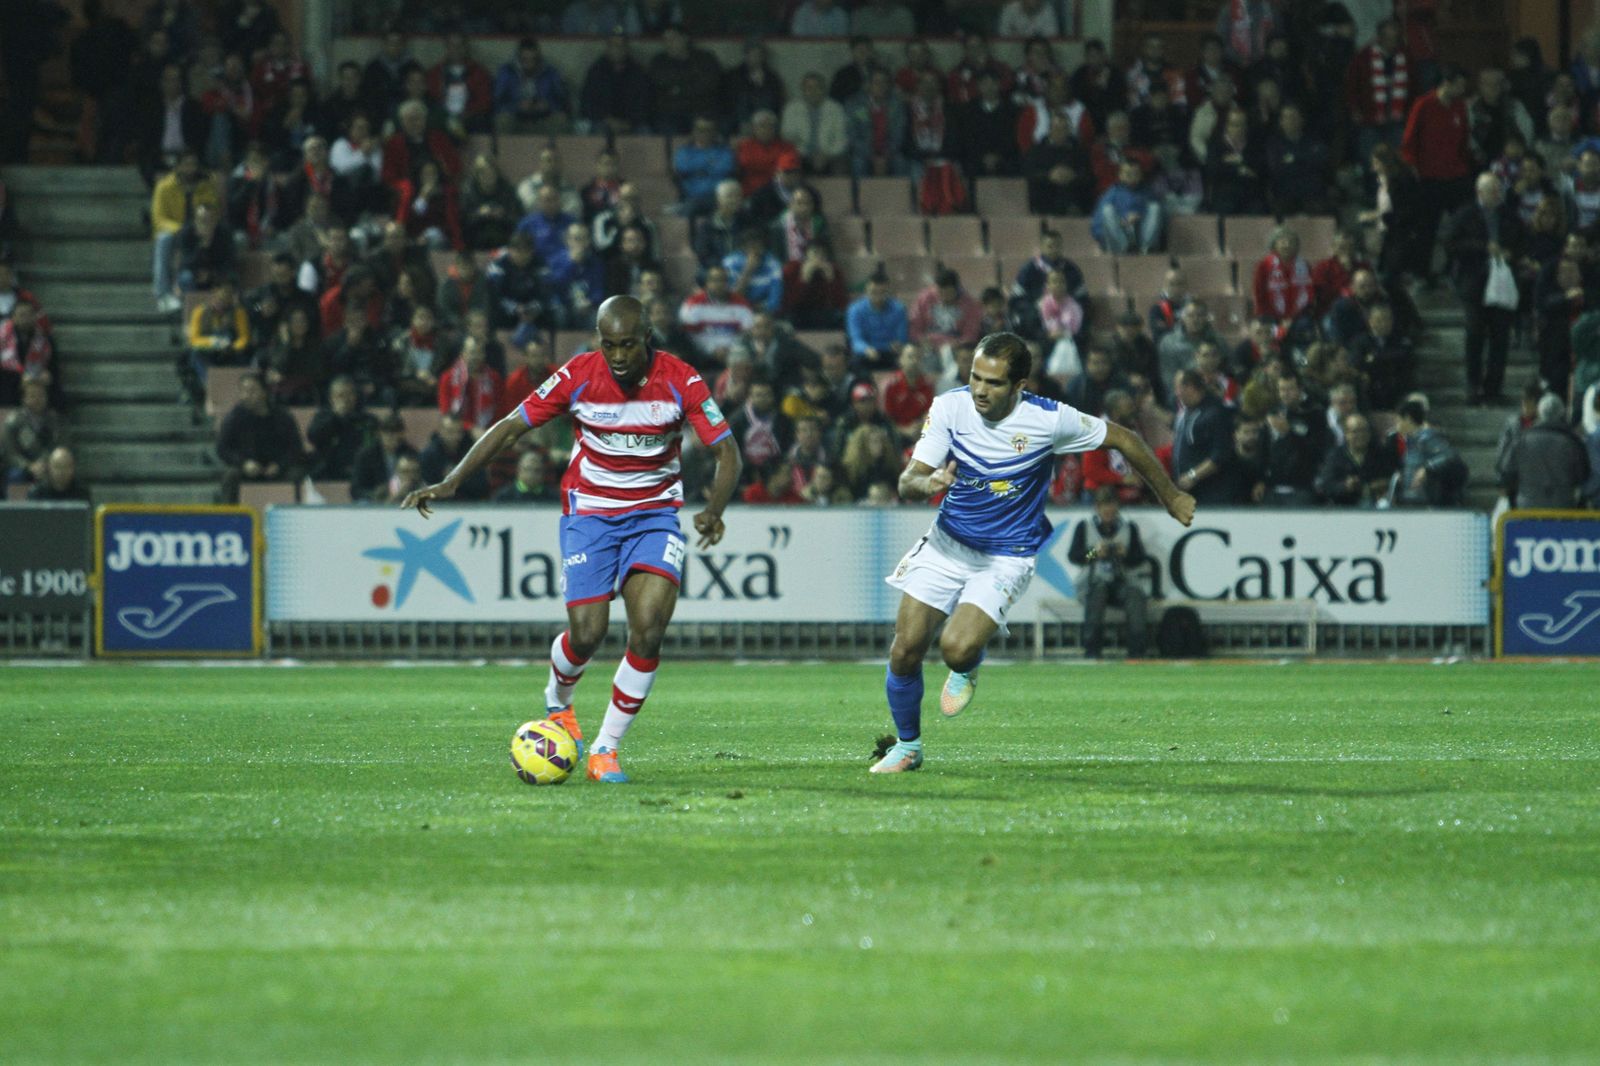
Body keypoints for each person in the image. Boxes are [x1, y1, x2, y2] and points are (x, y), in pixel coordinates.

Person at [402, 296, 742, 784]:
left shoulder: (681, 379)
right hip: (591, 516)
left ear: (647, 338)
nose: (619, 356)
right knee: (587, 633)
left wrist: (714, 509)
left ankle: (606, 749)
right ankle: (558, 701)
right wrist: (452, 481)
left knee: (648, 627)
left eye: (628, 345)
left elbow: (726, 451)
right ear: (598, 341)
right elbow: (510, 427)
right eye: (610, 345)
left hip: (653, 516)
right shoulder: (578, 375)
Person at [870, 332, 1193, 773]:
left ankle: (968, 663)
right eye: (975, 377)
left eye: (994, 382)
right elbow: (909, 479)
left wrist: (1171, 496)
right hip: (947, 544)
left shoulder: (1049, 419)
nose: (981, 390)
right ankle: (908, 746)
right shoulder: (950, 407)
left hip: (1007, 555)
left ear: (1020, 385)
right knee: (904, 649)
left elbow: (1125, 440)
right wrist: (926, 484)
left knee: (955, 649)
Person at [1445, 171, 1526, 405]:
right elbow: (1451, 243)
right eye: (1492, 190)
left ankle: (1494, 388)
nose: (1497, 194)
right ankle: (1473, 384)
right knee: (1474, 332)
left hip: (1502, 282)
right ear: (1480, 192)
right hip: (1473, 283)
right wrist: (1482, 247)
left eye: (1499, 190)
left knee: (1500, 337)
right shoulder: (1465, 214)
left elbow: (1523, 241)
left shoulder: (1509, 215)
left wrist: (1512, 252)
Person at [1067, 488, 1149, 659]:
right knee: (1098, 593)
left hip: (1122, 581)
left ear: (1118, 508)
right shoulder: (1085, 526)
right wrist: (1094, 553)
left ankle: (1137, 653)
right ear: (1097, 508)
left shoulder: (1129, 528)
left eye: (1112, 506)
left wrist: (1124, 554)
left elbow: (1139, 558)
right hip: (1094, 581)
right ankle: (1092, 652)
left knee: (1135, 595)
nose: (1109, 511)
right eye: (1104, 507)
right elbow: (1075, 556)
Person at [216, 371, 304, 503]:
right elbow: (223, 449)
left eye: (252, 391)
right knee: (230, 476)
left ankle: (297, 517)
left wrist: (279, 465)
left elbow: (295, 448)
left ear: (264, 392)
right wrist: (244, 463)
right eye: (243, 391)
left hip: (277, 468)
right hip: (248, 469)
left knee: (297, 474)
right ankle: (229, 518)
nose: (246, 396)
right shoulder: (234, 417)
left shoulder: (282, 417)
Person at [1503, 393, 1591, 509]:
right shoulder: (1572, 442)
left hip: (1527, 509)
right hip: (1564, 509)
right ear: (1562, 413)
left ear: (1539, 412)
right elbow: (1583, 475)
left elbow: (1507, 472)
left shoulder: (1522, 440)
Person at [1170, 368, 1235, 507]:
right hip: (1189, 493)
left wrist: (1193, 475)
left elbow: (1220, 454)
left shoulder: (1214, 413)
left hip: (1212, 493)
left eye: (1178, 387)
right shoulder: (1186, 413)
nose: (1176, 393)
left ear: (1190, 387)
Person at [1394, 399, 1468, 507]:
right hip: (1413, 501)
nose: (1396, 425)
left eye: (1398, 420)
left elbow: (1449, 455)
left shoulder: (1427, 438)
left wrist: (1426, 469)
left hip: (1428, 502)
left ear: (1408, 418)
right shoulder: (1411, 441)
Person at [1316, 412, 1398, 506]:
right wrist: (1345, 486)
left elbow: (1392, 478)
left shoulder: (1381, 454)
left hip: (1376, 507)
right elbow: (1326, 486)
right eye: (1355, 431)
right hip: (1343, 507)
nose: (1361, 435)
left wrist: (1374, 486)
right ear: (1346, 434)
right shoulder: (1335, 457)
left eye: (1364, 430)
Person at [1091, 159, 1162, 254]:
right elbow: (1097, 225)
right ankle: (1125, 249)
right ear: (1120, 175)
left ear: (1141, 175)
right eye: (1128, 174)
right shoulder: (1111, 193)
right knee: (1107, 210)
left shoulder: (1148, 193)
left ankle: (1148, 248)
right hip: (1120, 238)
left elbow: (1159, 220)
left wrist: (1139, 216)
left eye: (1136, 174)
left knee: (1154, 207)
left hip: (1140, 236)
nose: (1132, 177)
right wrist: (1122, 221)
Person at [845, 274, 908, 368]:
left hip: (891, 353)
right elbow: (856, 339)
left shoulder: (899, 309)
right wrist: (866, 349)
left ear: (888, 292)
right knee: (855, 363)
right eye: (873, 292)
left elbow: (902, 338)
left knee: (906, 362)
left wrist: (898, 345)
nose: (878, 297)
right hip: (867, 352)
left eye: (882, 292)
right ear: (866, 291)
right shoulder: (855, 310)